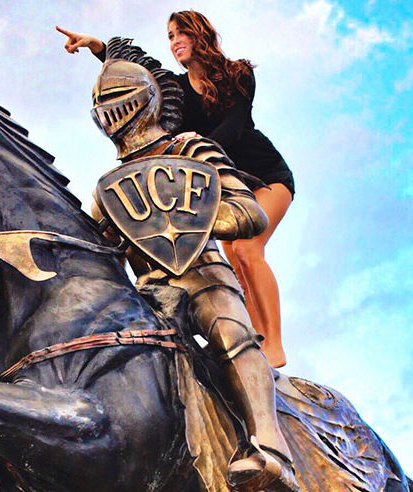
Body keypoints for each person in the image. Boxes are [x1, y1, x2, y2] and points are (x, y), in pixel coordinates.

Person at [86, 38, 299, 492]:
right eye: (103, 102)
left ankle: (270, 448)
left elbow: (247, 213)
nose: (110, 109)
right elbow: (96, 251)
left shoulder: (191, 148)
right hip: (145, 294)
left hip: (203, 276)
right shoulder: (107, 186)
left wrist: (190, 218)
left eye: (118, 97)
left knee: (232, 336)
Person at [57, 11, 294, 368]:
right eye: (170, 36)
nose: (175, 41)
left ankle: (275, 345)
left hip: (265, 176)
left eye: (182, 33)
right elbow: (142, 70)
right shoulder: (179, 90)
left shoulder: (238, 73)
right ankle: (256, 338)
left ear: (200, 35)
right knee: (234, 258)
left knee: (247, 248)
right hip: (222, 185)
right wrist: (98, 47)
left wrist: (200, 145)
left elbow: (237, 123)